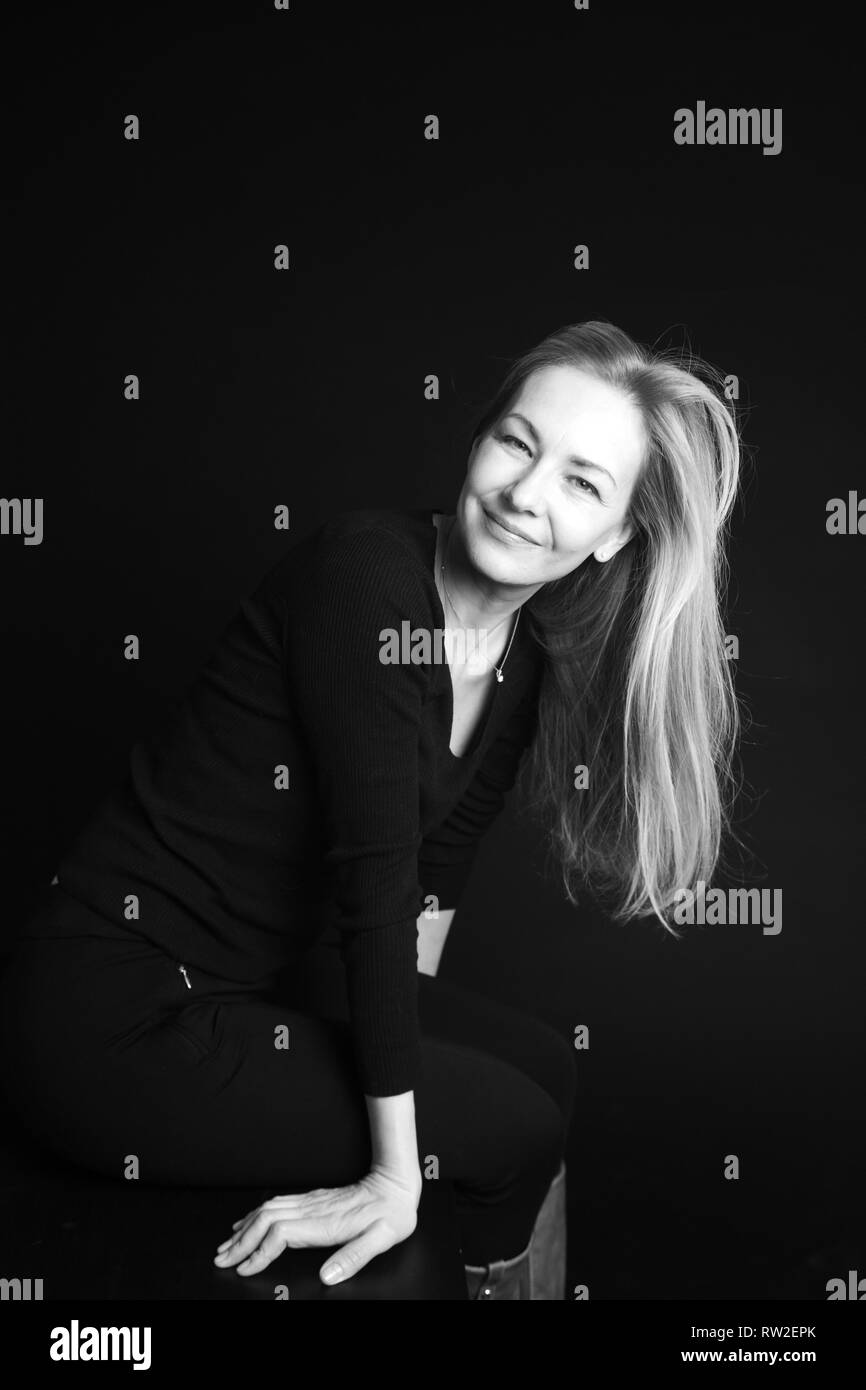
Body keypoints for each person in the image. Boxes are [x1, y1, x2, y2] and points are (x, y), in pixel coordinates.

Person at [0, 318, 742, 1299]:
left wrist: (412, 1058)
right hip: (116, 1018)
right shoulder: (368, 579)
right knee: (506, 1125)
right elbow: (376, 881)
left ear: (614, 534)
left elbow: (431, 883)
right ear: (478, 438)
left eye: (580, 481)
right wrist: (398, 1168)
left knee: (541, 1076)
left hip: (264, 986)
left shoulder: (518, 662)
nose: (525, 494)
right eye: (516, 442)